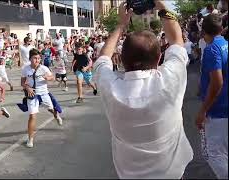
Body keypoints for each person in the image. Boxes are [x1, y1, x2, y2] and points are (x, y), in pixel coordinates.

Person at [93, 2, 193, 179]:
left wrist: (121, 24)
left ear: (121, 60)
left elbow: (102, 59)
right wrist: (160, 4)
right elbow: (177, 41)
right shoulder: (170, 80)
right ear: (159, 58)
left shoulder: (112, 88)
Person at [196, 14, 228, 179]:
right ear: (221, 29)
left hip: (217, 111)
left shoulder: (212, 49)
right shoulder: (226, 44)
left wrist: (203, 110)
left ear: (203, 31)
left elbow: (217, 82)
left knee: (213, 154)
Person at [20, 49, 63, 148]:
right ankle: (30, 139)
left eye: (39, 58)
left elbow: (52, 77)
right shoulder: (25, 69)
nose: (37, 60)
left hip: (44, 93)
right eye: (35, 58)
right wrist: (28, 88)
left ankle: (56, 116)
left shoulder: (44, 68)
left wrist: (48, 78)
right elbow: (22, 83)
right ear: (30, 58)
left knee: (51, 109)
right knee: (32, 116)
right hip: (32, 95)